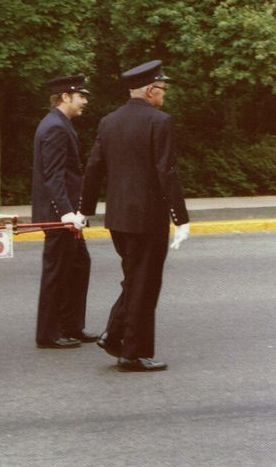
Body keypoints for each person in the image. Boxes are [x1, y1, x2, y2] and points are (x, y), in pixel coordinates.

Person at [80, 60, 190, 372]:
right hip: (148, 219)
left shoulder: (108, 122)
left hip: (118, 219)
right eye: (163, 89)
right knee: (146, 282)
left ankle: (114, 335)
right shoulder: (160, 121)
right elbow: (166, 171)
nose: (164, 95)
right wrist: (180, 217)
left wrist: (84, 210)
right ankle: (133, 353)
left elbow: (93, 169)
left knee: (134, 278)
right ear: (151, 90)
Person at [32, 75, 96, 349]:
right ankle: (48, 334)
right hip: (59, 215)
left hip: (65, 213)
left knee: (79, 265)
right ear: (66, 97)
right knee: (57, 271)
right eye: (81, 96)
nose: (85, 101)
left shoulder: (59, 124)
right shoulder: (56, 127)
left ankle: (71, 326)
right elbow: (54, 176)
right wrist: (67, 213)